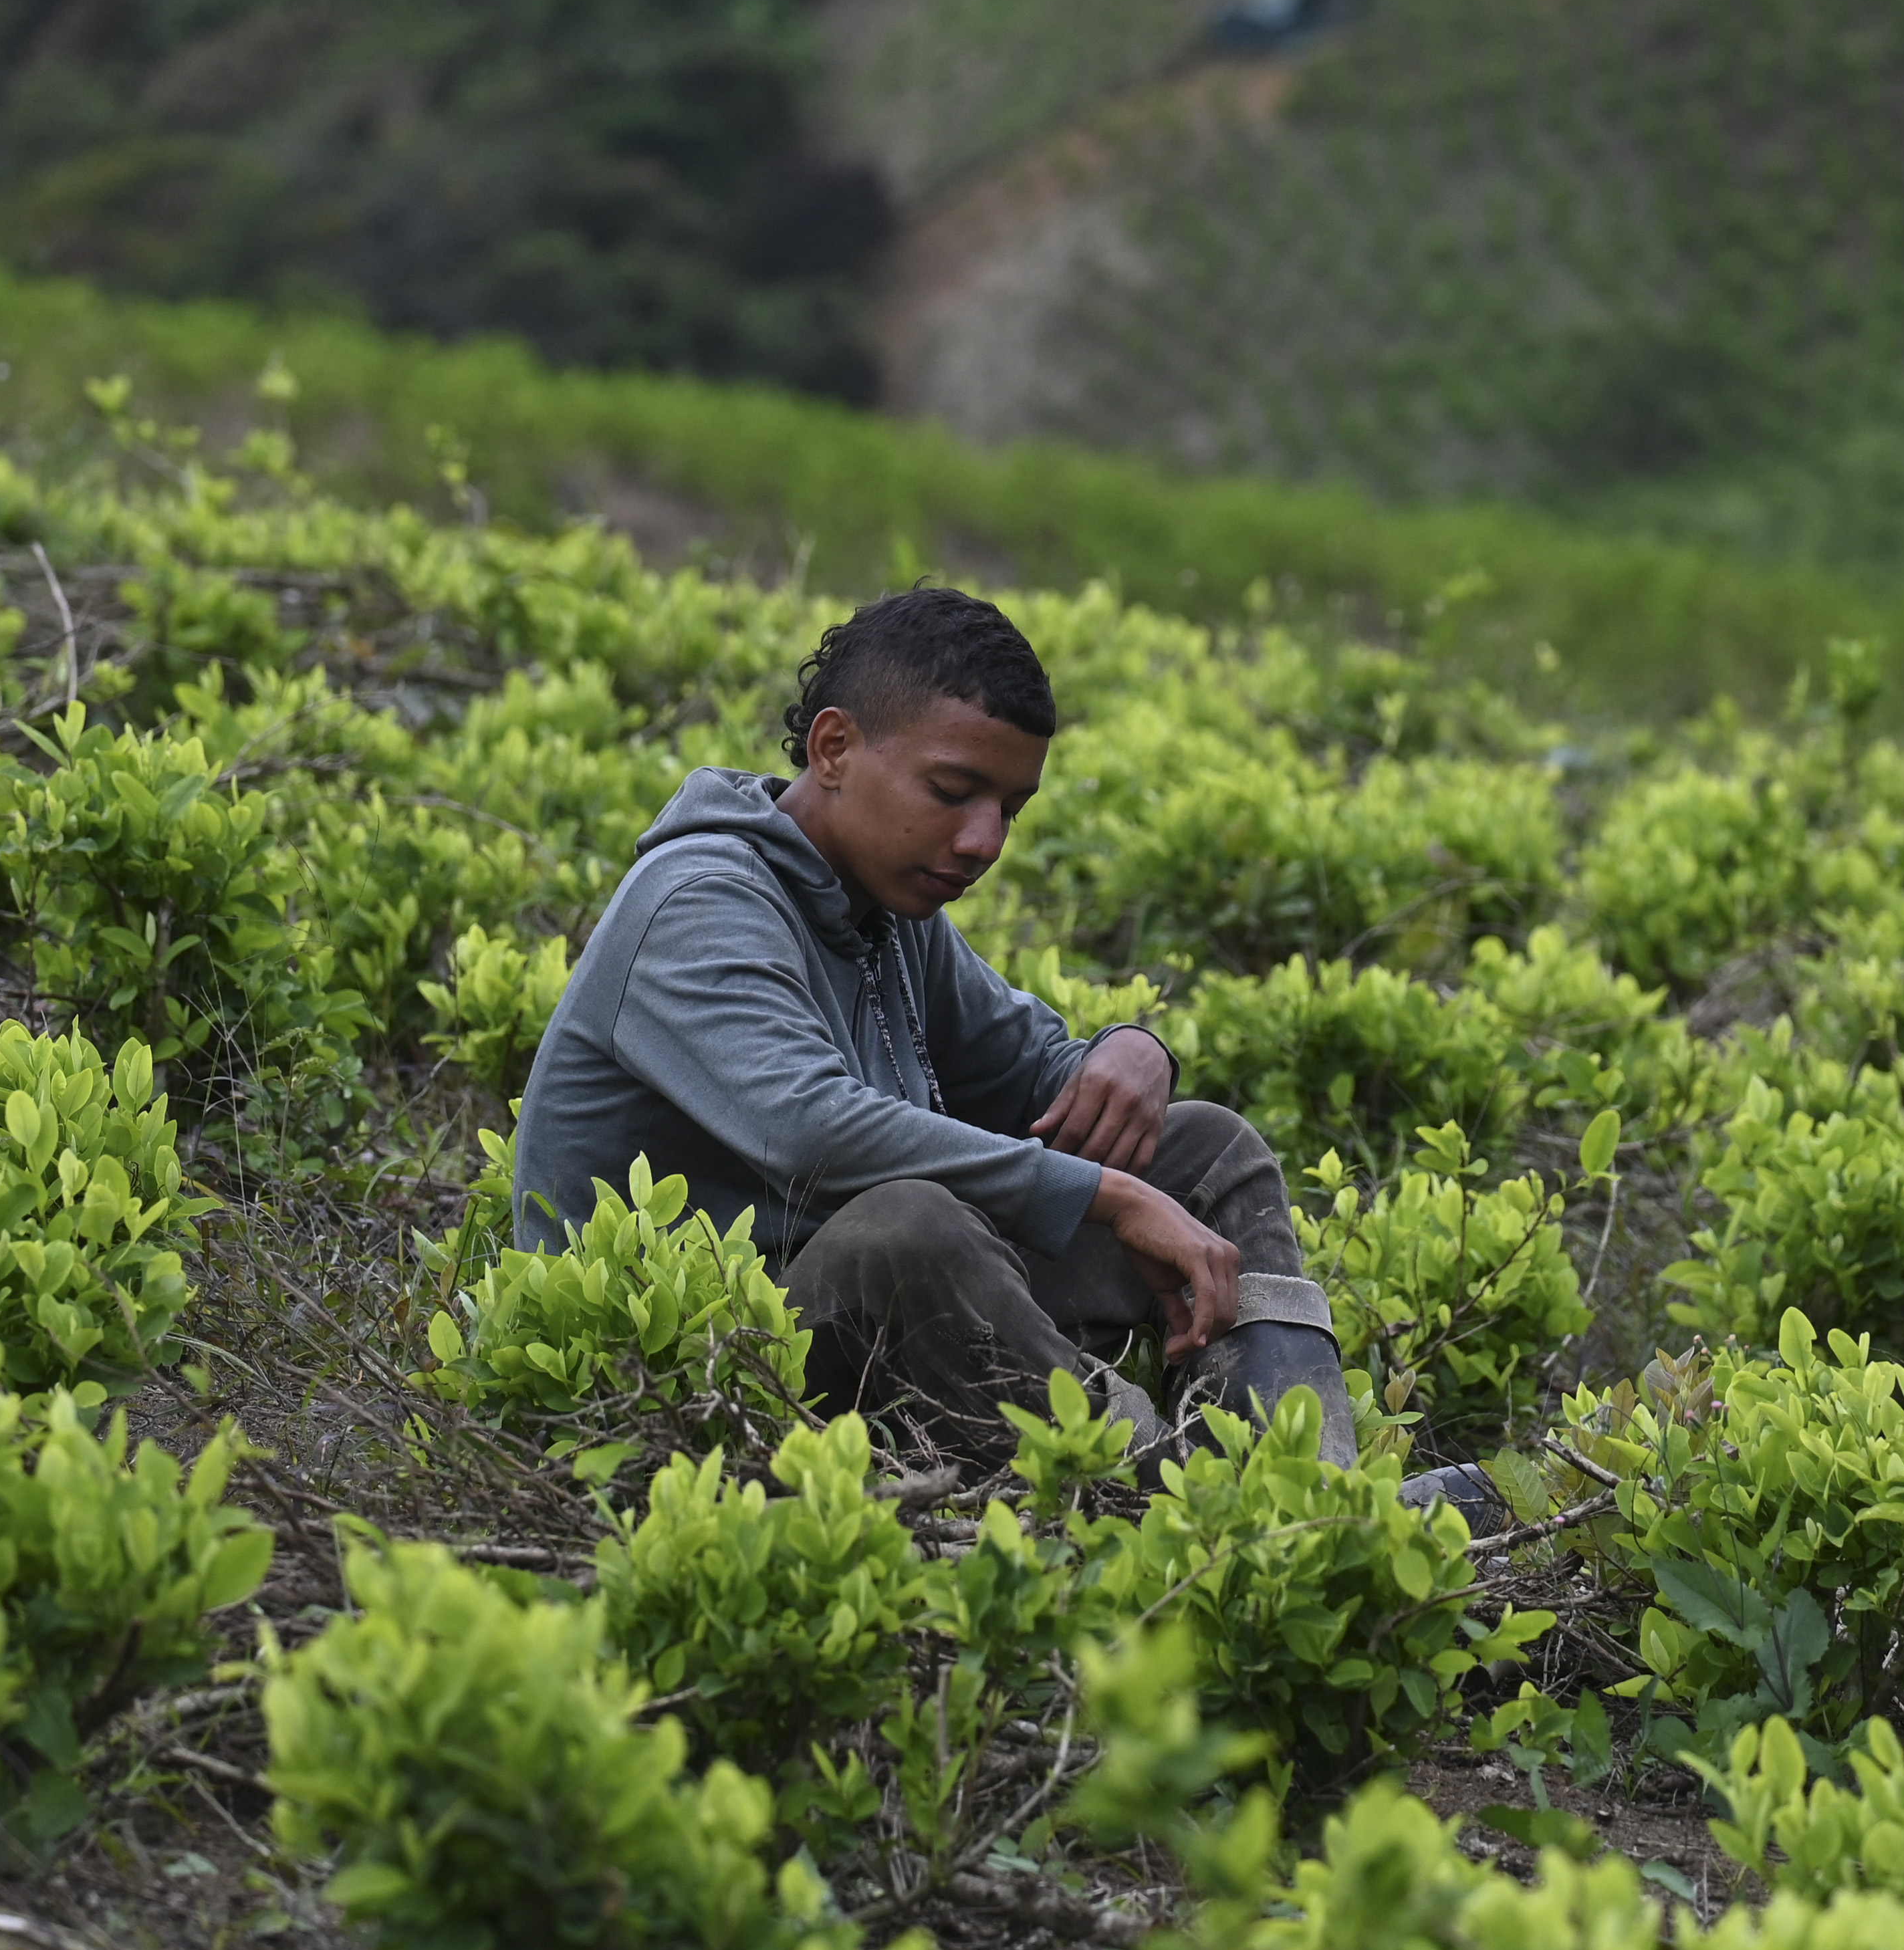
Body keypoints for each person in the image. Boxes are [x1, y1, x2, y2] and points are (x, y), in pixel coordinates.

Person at [511, 586, 1355, 1468]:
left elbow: (1037, 1074)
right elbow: (811, 1131)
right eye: (953, 792)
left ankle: (1307, 1483)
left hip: (862, 1333)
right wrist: (1115, 1198)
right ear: (833, 747)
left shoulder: (888, 907)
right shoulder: (698, 899)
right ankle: (1172, 1494)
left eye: (1009, 810)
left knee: (1203, 1152)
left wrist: (1133, 1051)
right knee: (909, 1228)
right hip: (690, 1372)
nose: (984, 841)